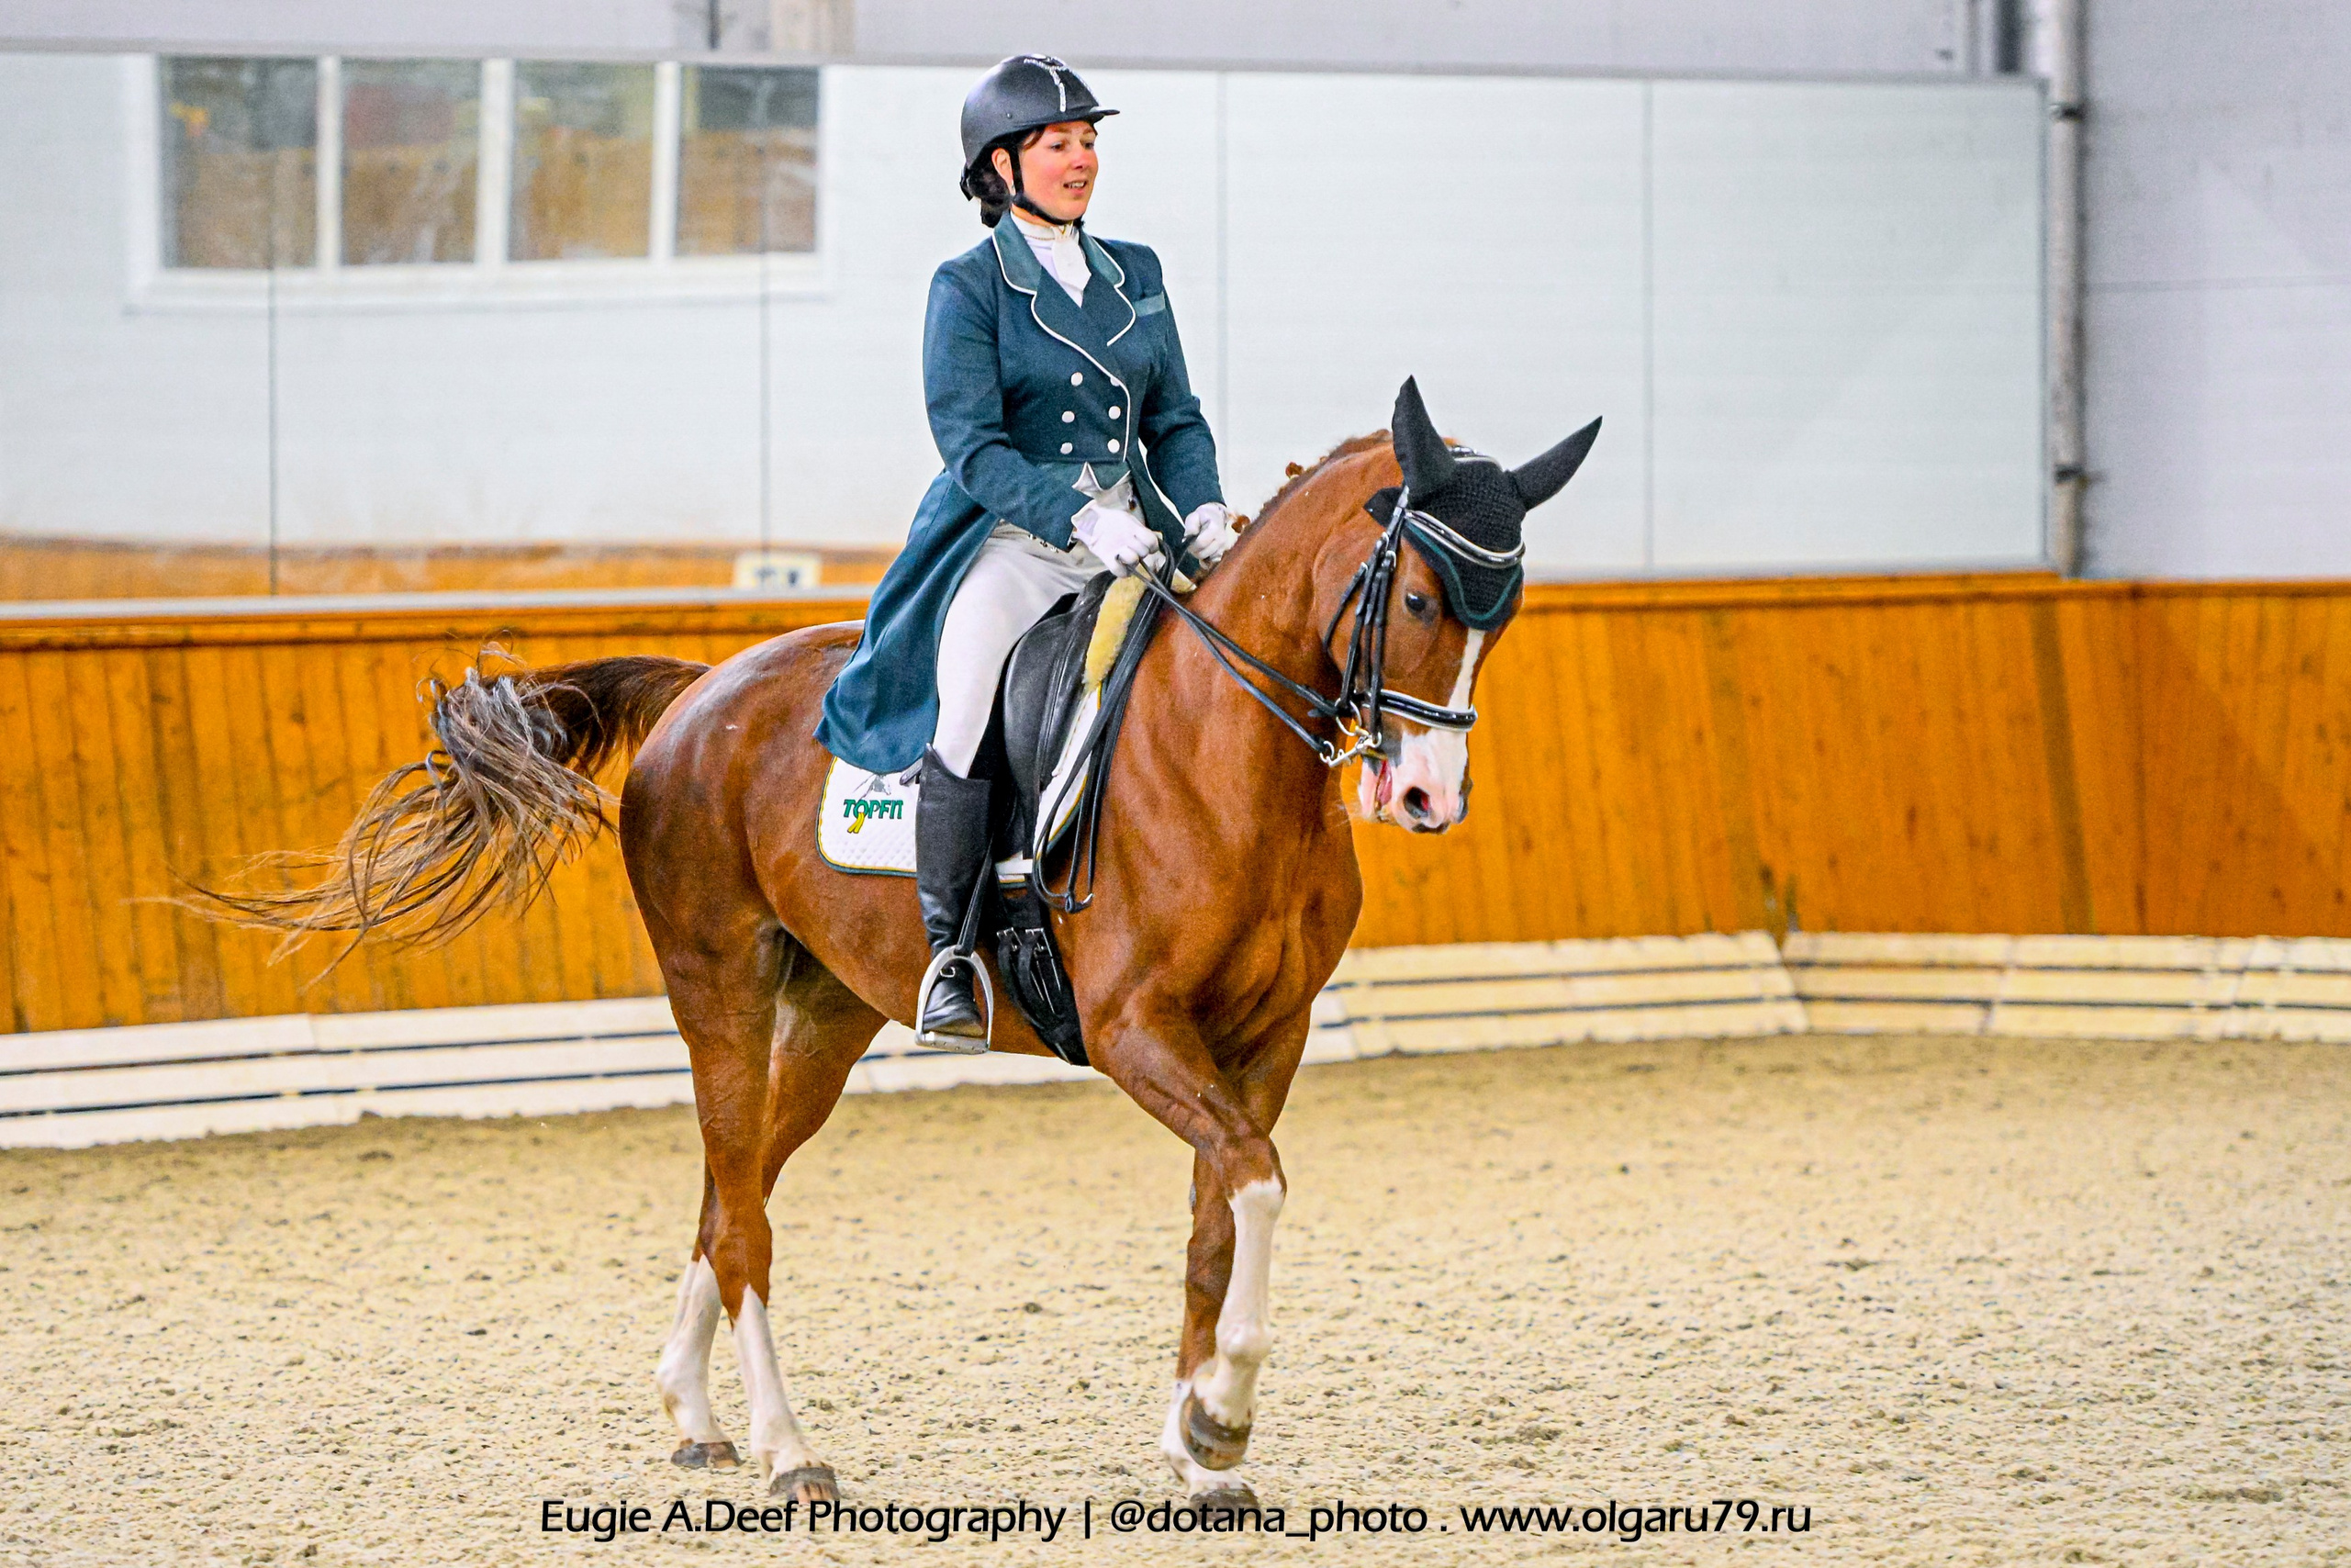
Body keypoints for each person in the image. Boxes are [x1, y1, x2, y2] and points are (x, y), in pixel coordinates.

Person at [816, 55, 1237, 1045]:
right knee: (964, 708)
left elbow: (1173, 417)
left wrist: (1206, 506)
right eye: (1058, 144)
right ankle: (950, 955)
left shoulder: (1136, 272)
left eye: (1088, 141)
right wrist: (1079, 519)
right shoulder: (969, 286)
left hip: (1139, 534)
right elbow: (970, 447)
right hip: (1017, 541)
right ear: (1001, 166)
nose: (1081, 159)